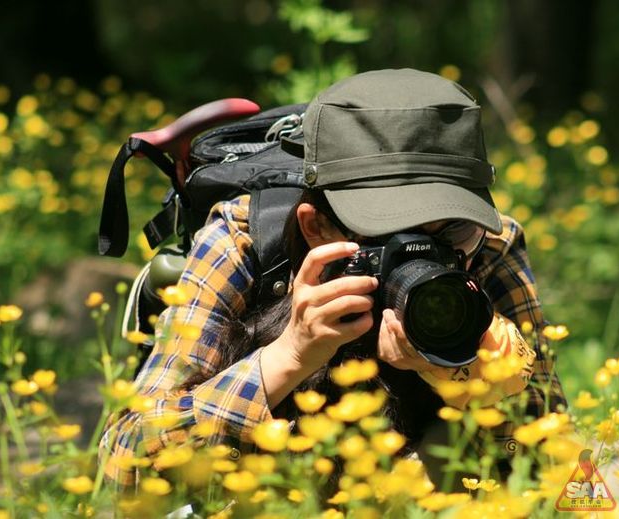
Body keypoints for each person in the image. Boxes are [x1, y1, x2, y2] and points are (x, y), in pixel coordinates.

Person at [99, 68, 566, 490]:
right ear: (316, 226)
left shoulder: (488, 245)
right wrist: (289, 355)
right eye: (388, 233)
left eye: (452, 228)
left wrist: (465, 375)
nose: (428, 253)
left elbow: (559, 465)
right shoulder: (244, 241)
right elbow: (124, 462)